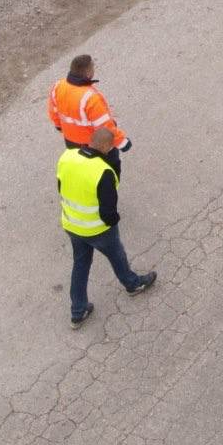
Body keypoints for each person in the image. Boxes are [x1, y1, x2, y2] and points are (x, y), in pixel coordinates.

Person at [58, 127, 158, 329]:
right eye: (111, 147)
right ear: (105, 146)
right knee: (117, 256)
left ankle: (78, 311)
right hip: (97, 230)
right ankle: (132, 284)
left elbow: (61, 186)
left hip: (71, 224)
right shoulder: (103, 172)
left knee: (80, 265)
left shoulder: (67, 157)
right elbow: (108, 211)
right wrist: (113, 222)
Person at [48, 55, 132, 174]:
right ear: (88, 73)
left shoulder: (58, 86)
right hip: (94, 146)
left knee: (81, 171)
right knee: (107, 172)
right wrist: (122, 142)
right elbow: (105, 128)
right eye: (93, 68)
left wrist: (59, 126)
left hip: (71, 142)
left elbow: (54, 111)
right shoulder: (91, 98)